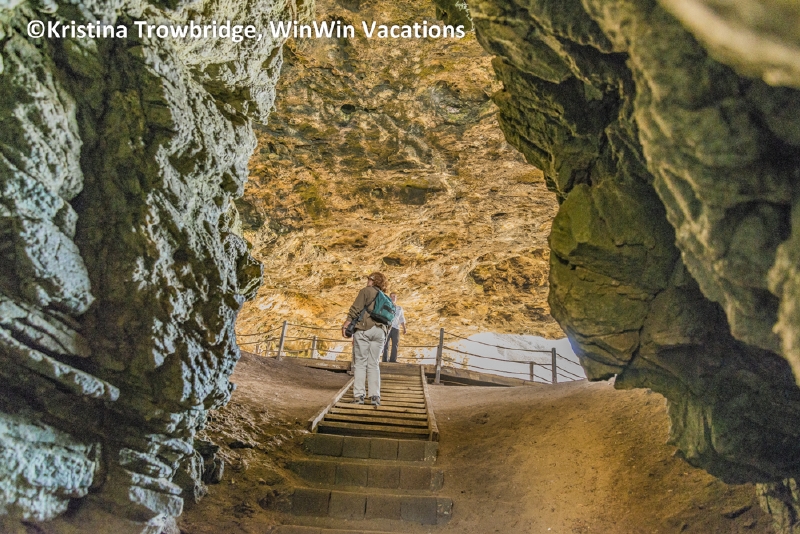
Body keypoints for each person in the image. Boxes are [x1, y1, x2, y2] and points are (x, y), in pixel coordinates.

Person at [342, 272, 389, 406]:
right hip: (380, 332)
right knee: (374, 364)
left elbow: (355, 309)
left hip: (364, 329)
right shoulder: (385, 297)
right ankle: (375, 397)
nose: (367, 281)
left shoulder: (366, 291)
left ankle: (359, 396)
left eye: (369, 279)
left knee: (360, 363)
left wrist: (346, 325)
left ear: (373, 280)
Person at [382, 293, 406, 363]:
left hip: (396, 328)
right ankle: (385, 360)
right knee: (386, 343)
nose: (393, 298)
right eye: (391, 296)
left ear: (396, 298)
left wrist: (404, 328)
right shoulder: (386, 306)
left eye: (394, 296)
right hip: (387, 327)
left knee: (395, 344)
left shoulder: (399, 308)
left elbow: (401, 318)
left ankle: (393, 360)